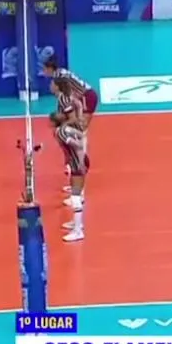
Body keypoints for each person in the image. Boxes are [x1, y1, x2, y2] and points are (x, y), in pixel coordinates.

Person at [42, 58, 96, 196]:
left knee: (81, 129)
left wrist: (69, 117)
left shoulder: (59, 78)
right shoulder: (61, 73)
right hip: (84, 97)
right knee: (78, 128)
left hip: (87, 97)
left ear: (50, 69)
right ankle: (77, 173)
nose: (43, 72)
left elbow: (69, 95)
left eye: (44, 69)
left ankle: (81, 160)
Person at [50, 75, 90, 242]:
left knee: (75, 197)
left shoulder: (60, 133)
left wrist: (79, 159)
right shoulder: (65, 130)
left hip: (77, 164)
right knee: (76, 195)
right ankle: (76, 223)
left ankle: (78, 231)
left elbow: (77, 144)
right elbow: (81, 135)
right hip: (79, 162)